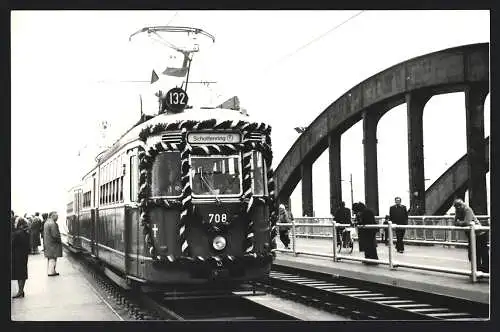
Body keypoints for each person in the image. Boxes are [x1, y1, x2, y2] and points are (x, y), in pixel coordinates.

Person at [453, 198, 489, 273]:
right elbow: (455, 222)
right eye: (457, 206)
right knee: (474, 253)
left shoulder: (467, 209)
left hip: (479, 233)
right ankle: (478, 270)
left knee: (481, 252)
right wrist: (460, 223)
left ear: (462, 204)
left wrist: (459, 223)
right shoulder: (458, 211)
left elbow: (467, 222)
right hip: (472, 234)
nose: (459, 207)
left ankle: (484, 270)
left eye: (460, 205)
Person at [12, 217, 31, 298]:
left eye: (16, 222)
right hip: (24, 255)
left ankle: (20, 292)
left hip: (17, 255)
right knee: (23, 272)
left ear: (19, 224)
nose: (14, 223)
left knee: (19, 273)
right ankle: (21, 291)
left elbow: (12, 244)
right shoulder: (26, 232)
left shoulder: (17, 233)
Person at [43, 211, 63, 276]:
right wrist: (59, 240)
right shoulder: (53, 224)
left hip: (48, 243)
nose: (57, 218)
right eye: (56, 216)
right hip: (53, 244)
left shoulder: (47, 222)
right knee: (53, 258)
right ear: (52, 216)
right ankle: (51, 272)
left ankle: (51, 271)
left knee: (50, 258)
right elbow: (55, 235)